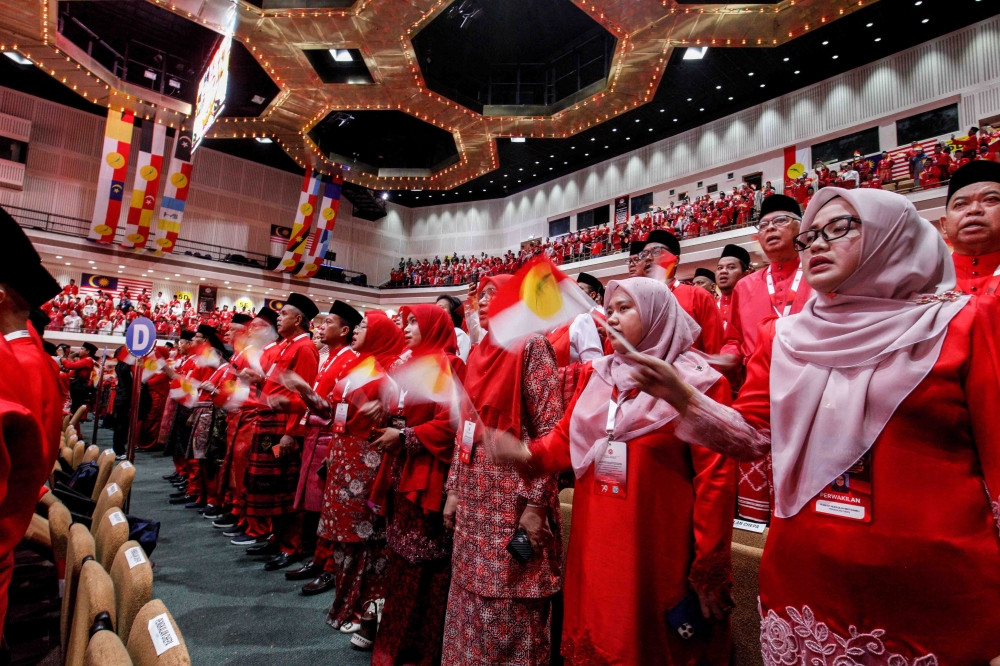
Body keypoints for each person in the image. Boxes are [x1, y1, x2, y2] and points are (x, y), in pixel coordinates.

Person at [629, 186, 1000, 665]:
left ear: (893, 235)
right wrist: (681, 396)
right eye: (810, 238)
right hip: (806, 573)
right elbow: (751, 437)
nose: (817, 245)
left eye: (839, 228)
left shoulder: (965, 323)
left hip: (933, 583)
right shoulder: (783, 337)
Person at [493, 277, 736, 666]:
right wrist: (523, 453)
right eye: (610, 310)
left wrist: (708, 566)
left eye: (626, 309)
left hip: (655, 546)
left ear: (658, 315)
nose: (614, 318)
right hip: (596, 539)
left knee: (647, 641)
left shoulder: (697, 385)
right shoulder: (599, 375)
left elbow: (716, 482)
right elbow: (562, 442)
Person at [441, 275, 564, 666]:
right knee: (469, 603)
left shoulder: (533, 346)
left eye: (495, 294)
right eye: (481, 294)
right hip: (475, 504)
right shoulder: (479, 353)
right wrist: (454, 490)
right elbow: (466, 430)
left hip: (513, 504)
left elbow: (551, 431)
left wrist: (537, 506)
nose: (482, 301)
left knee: (513, 611)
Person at [368, 304, 463, 662]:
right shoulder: (410, 366)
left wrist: (406, 435)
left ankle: (417, 652)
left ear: (434, 326)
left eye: (414, 322)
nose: (406, 328)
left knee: (424, 569)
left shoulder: (449, 365)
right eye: (405, 321)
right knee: (401, 565)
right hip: (401, 473)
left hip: (428, 478)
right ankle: (392, 646)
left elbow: (453, 423)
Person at [719, 194, 813, 524]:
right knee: (755, 516)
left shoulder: (819, 270)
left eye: (780, 221)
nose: (770, 229)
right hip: (758, 400)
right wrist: (715, 361)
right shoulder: (745, 287)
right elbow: (734, 341)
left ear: (802, 229)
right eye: (763, 225)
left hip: (810, 398)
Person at [316, 310, 401, 633]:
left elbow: (395, 419)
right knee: (343, 538)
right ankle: (345, 603)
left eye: (365, 326)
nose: (357, 330)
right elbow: (333, 410)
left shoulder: (387, 374)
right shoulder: (359, 367)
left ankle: (362, 607)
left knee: (362, 537)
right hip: (342, 457)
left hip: (365, 463)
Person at [282, 300, 362, 594]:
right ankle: (318, 559)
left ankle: (330, 566)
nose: (320, 326)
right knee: (318, 505)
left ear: (344, 330)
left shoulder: (350, 360)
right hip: (316, 433)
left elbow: (335, 409)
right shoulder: (328, 357)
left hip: (330, 438)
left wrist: (302, 390)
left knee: (329, 505)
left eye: (328, 323)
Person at [245, 293, 320, 572]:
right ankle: (277, 537)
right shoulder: (286, 346)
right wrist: (260, 381)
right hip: (269, 424)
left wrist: (292, 432)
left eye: (284, 313)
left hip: (284, 429)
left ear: (298, 319)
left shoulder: (305, 349)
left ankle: (291, 545)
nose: (278, 317)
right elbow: (278, 388)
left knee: (287, 489)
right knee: (272, 486)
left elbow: (306, 396)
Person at [634, 230, 725, 354]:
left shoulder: (698, 296)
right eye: (644, 254)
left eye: (656, 252)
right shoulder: (635, 301)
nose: (648, 258)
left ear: (675, 260)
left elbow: (715, 351)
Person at [940, 161, 1000, 294]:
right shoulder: (924, 279)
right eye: (960, 204)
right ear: (944, 224)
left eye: (990, 199)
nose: (974, 210)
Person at [715, 244, 752, 328]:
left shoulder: (754, 304)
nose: (723, 271)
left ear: (745, 274)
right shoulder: (709, 306)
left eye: (731, 267)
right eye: (720, 268)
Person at [61, 342, 97, 417]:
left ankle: (71, 424)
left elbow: (70, 366)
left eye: (82, 349)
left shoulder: (88, 360)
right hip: (78, 385)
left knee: (74, 407)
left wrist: (63, 357)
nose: (79, 351)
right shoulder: (84, 359)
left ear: (87, 351)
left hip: (79, 386)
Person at [435, 294, 471, 362]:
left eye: (441, 308)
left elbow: (457, 363)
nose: (435, 311)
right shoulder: (435, 336)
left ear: (452, 315)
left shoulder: (459, 334)